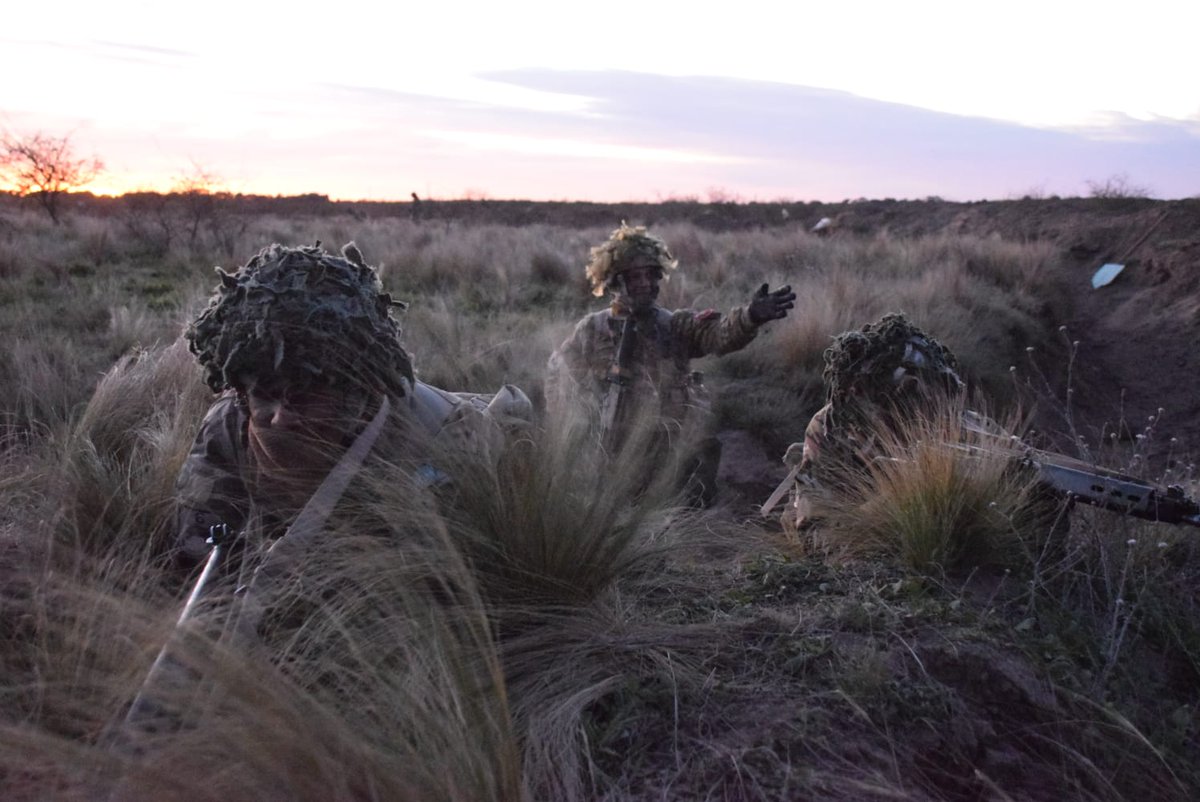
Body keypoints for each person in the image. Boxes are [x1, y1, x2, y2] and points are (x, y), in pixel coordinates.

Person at [174, 241, 531, 565]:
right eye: (264, 394)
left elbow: (446, 589)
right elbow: (197, 549)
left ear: (362, 391)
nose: (281, 418)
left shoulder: (440, 444)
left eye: (304, 397)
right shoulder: (227, 427)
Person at [545, 223, 795, 505]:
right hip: (610, 456)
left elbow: (718, 335)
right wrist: (576, 424)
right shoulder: (592, 330)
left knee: (680, 514)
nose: (644, 283)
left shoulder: (674, 325)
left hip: (669, 454)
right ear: (614, 282)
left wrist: (750, 317)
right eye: (633, 276)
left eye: (650, 275)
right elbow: (561, 375)